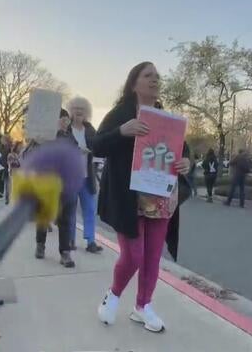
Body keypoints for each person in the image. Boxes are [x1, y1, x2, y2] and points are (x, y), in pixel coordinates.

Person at [94, 62, 190, 333]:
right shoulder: (121, 113)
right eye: (148, 75)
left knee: (152, 257)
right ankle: (112, 296)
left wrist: (186, 162)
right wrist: (122, 131)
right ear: (134, 82)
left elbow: (184, 148)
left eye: (157, 76)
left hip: (160, 197)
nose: (155, 79)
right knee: (133, 256)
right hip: (129, 197)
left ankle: (143, 306)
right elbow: (97, 145)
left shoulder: (164, 116)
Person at [33, 109, 78, 267]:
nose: (66, 122)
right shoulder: (46, 136)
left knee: (65, 219)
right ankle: (40, 244)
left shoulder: (70, 136)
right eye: (62, 119)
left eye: (67, 119)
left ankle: (65, 252)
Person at [66, 96, 104, 253]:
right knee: (71, 210)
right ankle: (70, 240)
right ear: (71, 111)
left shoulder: (90, 130)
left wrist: (92, 151)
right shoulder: (66, 130)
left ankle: (91, 242)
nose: (78, 112)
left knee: (89, 209)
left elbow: (99, 147)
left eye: (81, 109)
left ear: (86, 112)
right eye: (76, 109)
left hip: (87, 176)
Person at [0, 135, 12, 201]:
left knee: (6, 180)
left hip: (6, 166)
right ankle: (0, 193)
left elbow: (9, 156)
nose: (1, 140)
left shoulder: (9, 147)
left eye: (2, 139)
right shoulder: (1, 146)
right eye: (1, 139)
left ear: (6, 140)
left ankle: (8, 196)